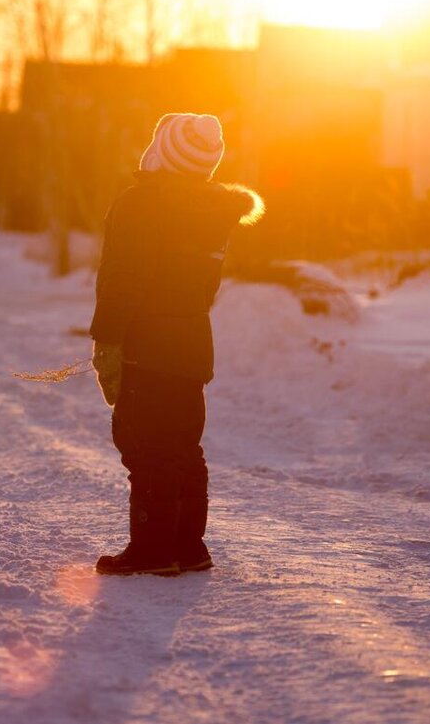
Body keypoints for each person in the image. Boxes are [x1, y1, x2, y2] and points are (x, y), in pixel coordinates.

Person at [89, 112, 264, 576]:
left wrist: (106, 338)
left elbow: (124, 281)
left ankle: (153, 549)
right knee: (184, 446)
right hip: (190, 344)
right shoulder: (211, 214)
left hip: (146, 344)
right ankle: (188, 546)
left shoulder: (142, 205)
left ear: (161, 151)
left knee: (146, 445)